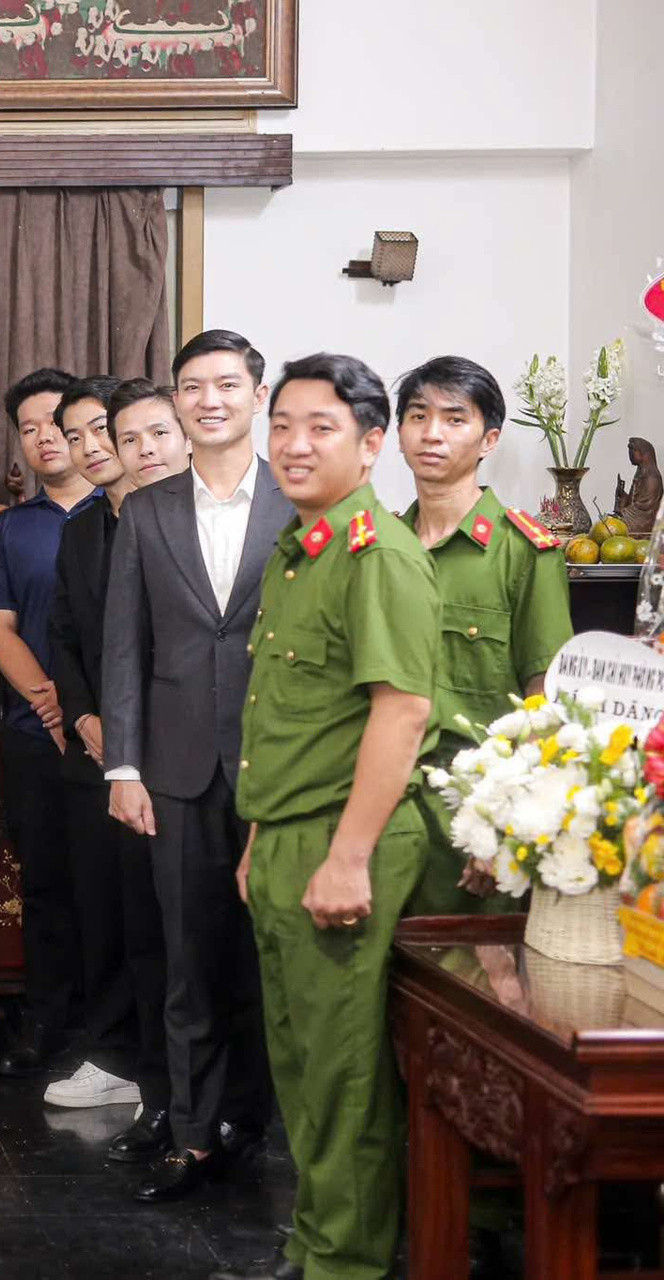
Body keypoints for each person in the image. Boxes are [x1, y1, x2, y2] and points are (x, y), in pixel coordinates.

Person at [218, 353, 439, 1280]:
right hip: (286, 836)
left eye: (321, 427)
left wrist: (347, 857)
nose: (295, 445)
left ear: (371, 443)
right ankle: (315, 1242)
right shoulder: (299, 550)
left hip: (348, 840)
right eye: (282, 426)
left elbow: (402, 711)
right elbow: (289, 717)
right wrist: (260, 836)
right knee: (301, 1062)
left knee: (344, 1073)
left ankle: (347, 1260)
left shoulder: (376, 555)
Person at [101, 330, 285, 1201]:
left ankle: (265, 1123)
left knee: (272, 959)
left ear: (257, 394)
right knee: (188, 961)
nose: (210, 400)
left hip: (282, 770)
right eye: (193, 387)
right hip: (174, 771)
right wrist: (123, 767)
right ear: (177, 402)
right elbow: (124, 646)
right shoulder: (147, 511)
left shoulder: (300, 502)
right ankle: (194, 1134)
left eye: (226, 384)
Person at [41, 380, 188, 1136]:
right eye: (74, 436)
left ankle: (176, 1070)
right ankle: (114, 1054)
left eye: (101, 430)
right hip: (97, 753)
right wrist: (85, 716)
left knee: (169, 920)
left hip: (177, 753)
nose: (90, 447)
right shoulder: (82, 532)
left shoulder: (185, 515)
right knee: (103, 913)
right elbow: (63, 637)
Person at [395, 355, 572, 915]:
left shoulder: (524, 551)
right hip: (384, 811)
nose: (432, 433)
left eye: (455, 419)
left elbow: (545, 703)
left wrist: (504, 823)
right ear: (398, 433)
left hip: (471, 817)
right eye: (418, 416)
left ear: (488, 440)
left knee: (472, 970)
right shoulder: (379, 550)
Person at [0, 366, 97, 1074]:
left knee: (108, 888)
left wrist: (84, 710)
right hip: (34, 735)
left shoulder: (124, 509)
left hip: (110, 738)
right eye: (28, 429)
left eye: (55, 423)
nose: (44, 438)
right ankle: (46, 1020)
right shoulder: (10, 529)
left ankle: (110, 1032)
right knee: (45, 886)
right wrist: (55, 705)